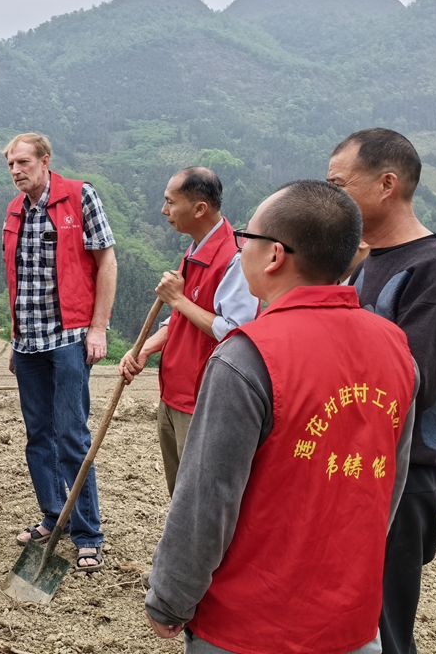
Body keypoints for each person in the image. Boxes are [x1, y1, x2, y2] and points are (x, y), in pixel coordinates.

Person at [145, 180, 419, 654]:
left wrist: (170, 599)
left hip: (249, 627)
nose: (239, 249)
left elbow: (206, 501)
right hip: (352, 623)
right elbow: (388, 490)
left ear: (274, 256)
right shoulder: (396, 348)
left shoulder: (248, 357)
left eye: (246, 238)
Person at [328, 128, 436, 654]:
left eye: (338, 184)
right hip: (352, 466)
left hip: (400, 475)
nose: (330, 198)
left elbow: (408, 386)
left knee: (384, 628)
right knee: (346, 622)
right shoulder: (366, 264)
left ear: (386, 184)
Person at [1, 133, 116, 572]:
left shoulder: (79, 196)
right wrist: (14, 338)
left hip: (69, 336)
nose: (16, 170)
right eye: (11, 164)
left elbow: (106, 260)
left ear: (46, 161)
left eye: (24, 162)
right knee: (38, 437)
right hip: (28, 344)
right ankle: (54, 514)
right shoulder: (13, 210)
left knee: (71, 436)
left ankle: (88, 532)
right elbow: (15, 278)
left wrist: (99, 327)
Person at [118, 167, 258, 497]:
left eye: (170, 202)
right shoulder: (194, 251)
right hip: (173, 394)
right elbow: (182, 319)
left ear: (199, 209)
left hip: (203, 402)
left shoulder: (234, 258)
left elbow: (236, 331)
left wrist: (178, 299)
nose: (164, 211)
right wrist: (145, 349)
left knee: (199, 499)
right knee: (179, 493)